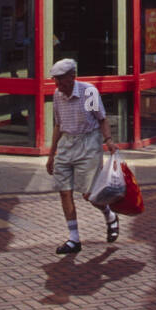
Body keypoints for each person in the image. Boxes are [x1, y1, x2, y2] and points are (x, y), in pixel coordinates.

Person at [45, 59, 119, 255]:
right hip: (67, 144)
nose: (58, 85)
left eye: (61, 80)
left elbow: (102, 119)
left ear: (72, 77)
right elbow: (58, 125)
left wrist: (109, 140)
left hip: (89, 144)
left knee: (90, 195)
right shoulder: (57, 95)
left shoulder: (89, 92)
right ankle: (74, 239)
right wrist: (51, 155)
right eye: (55, 80)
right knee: (64, 191)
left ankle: (109, 216)